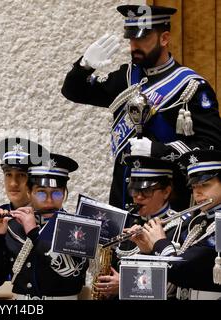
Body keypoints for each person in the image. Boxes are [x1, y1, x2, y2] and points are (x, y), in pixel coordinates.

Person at [61, 4, 221, 212]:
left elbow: (213, 147)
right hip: (124, 192)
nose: (134, 45)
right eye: (132, 38)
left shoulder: (190, 86)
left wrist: (160, 151)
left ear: (164, 39)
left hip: (169, 199)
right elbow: (74, 92)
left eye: (142, 38)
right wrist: (85, 66)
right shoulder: (125, 78)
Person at [0, 152, 88, 299]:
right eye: (41, 193)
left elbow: (71, 272)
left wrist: (34, 234)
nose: (49, 201)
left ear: (65, 194)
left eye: (56, 194)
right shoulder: (12, 225)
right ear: (29, 192)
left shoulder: (77, 227)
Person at [129, 149, 221, 299]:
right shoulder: (198, 223)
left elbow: (181, 269)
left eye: (204, 185)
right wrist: (148, 249)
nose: (197, 192)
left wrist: (159, 242)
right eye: (193, 186)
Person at [94, 155, 188, 298]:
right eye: (134, 190)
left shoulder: (183, 225)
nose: (138, 197)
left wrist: (125, 284)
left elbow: (175, 284)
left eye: (146, 191)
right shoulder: (127, 222)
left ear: (166, 191)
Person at [0, 137, 48, 278]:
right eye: (8, 174)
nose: (13, 183)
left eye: (21, 175)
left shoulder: (50, 220)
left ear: (34, 180)